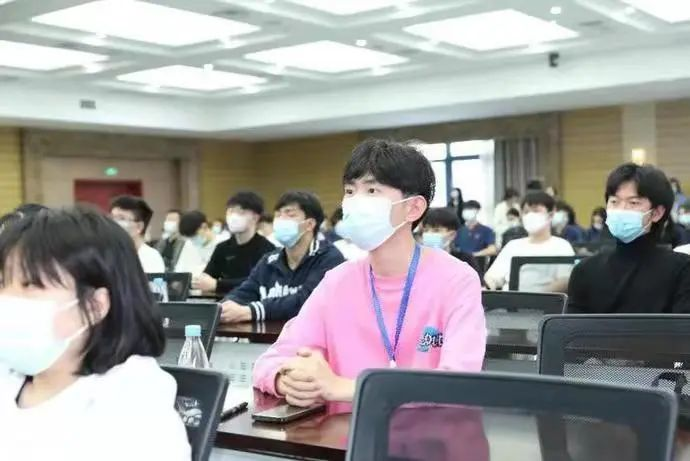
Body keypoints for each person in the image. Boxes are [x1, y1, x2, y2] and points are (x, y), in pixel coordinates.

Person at [252, 139, 486, 407]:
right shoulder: (337, 281)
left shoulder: (456, 280)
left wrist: (344, 388)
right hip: (344, 431)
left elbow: (458, 383)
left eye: (372, 190)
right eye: (350, 191)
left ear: (413, 208)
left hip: (429, 430)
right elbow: (271, 360)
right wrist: (285, 380)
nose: (355, 202)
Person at [0, 206, 190, 460]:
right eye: (1, 283)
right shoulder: (10, 377)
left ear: (95, 306)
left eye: (31, 285)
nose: (7, 300)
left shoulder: (133, 408)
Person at [567, 163, 690, 314]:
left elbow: (682, 327)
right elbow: (572, 327)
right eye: (614, 202)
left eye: (633, 203)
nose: (621, 210)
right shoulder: (585, 271)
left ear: (657, 213)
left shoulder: (682, 269)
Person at [220, 190, 344, 323]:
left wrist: (252, 311)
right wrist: (225, 306)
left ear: (309, 224)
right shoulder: (269, 261)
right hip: (267, 335)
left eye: (290, 215)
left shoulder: (329, 258)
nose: (281, 220)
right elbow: (246, 291)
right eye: (278, 215)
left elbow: (307, 300)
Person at [484, 191, 575, 292]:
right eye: (526, 212)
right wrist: (489, 286)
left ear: (551, 214)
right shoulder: (513, 245)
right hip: (508, 298)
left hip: (545, 300)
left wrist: (534, 297)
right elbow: (493, 277)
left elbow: (564, 281)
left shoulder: (561, 246)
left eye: (536, 211)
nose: (530, 216)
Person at [193, 192, 275, 297]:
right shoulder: (222, 248)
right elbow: (207, 277)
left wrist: (218, 285)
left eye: (240, 212)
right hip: (222, 301)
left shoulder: (267, 249)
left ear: (255, 217)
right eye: (230, 211)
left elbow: (259, 281)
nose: (233, 217)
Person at [110, 196, 165, 273]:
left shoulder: (151, 258)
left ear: (139, 227)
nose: (113, 223)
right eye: (112, 218)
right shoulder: (108, 254)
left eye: (121, 218)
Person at [421, 207, 479, 275]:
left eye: (436, 230)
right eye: (426, 230)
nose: (429, 234)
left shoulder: (465, 260)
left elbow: (478, 281)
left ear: (452, 235)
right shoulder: (418, 260)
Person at [174, 210, 219, 275]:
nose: (192, 241)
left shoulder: (221, 245)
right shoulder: (189, 244)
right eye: (189, 238)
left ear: (204, 226)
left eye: (194, 237)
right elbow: (180, 269)